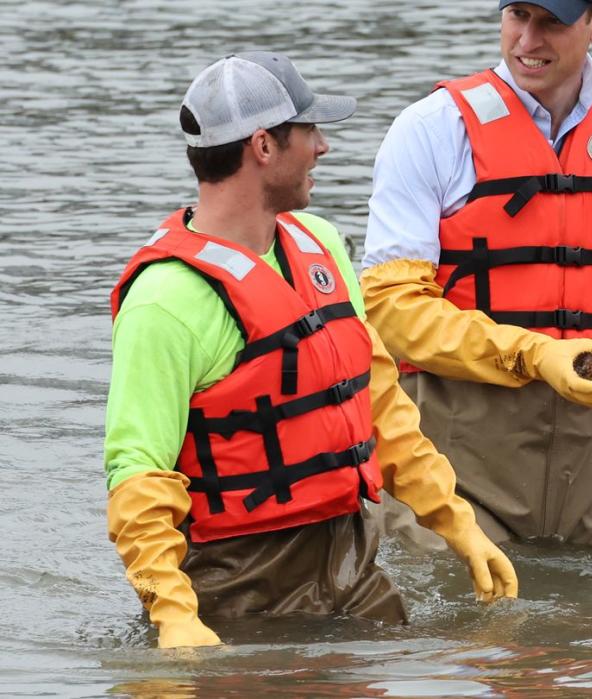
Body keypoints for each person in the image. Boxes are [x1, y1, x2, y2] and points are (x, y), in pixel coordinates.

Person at [104, 51, 518, 650]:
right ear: (264, 146)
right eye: (309, 131)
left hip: (352, 566)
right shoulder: (164, 301)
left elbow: (378, 402)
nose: (323, 146)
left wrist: (456, 521)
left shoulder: (319, 242)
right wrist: (173, 614)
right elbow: (137, 472)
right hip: (236, 590)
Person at [361, 0, 592, 547]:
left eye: (552, 22)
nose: (528, 39)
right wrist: (532, 354)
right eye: (518, 16)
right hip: (460, 458)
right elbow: (389, 304)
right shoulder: (430, 130)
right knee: (466, 624)